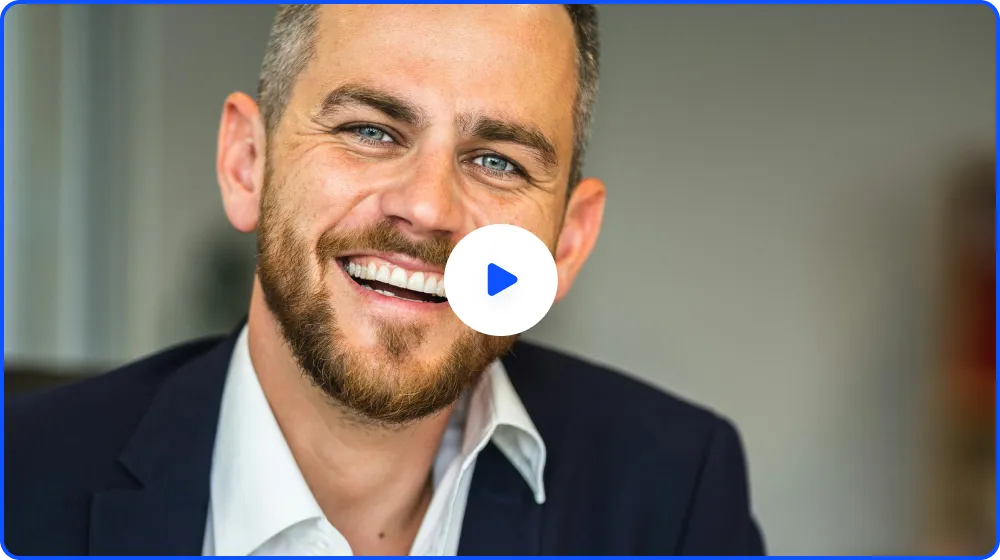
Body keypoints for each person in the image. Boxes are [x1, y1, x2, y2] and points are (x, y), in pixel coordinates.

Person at [5, 5, 765, 555]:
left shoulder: (675, 497)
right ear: (246, 165)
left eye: (497, 161)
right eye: (370, 131)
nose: (427, 208)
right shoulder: (21, 477)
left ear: (566, 243)